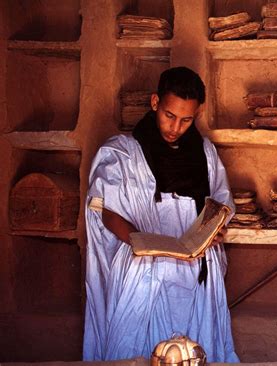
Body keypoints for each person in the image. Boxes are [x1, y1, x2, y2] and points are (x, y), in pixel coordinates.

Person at [83, 66, 239, 363]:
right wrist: (143, 242)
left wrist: (215, 229)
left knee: (194, 351)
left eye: (186, 120)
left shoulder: (204, 153)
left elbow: (219, 203)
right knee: (138, 349)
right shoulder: (121, 153)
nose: (175, 127)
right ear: (155, 103)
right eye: (169, 115)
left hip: (195, 270)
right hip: (142, 268)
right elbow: (105, 211)